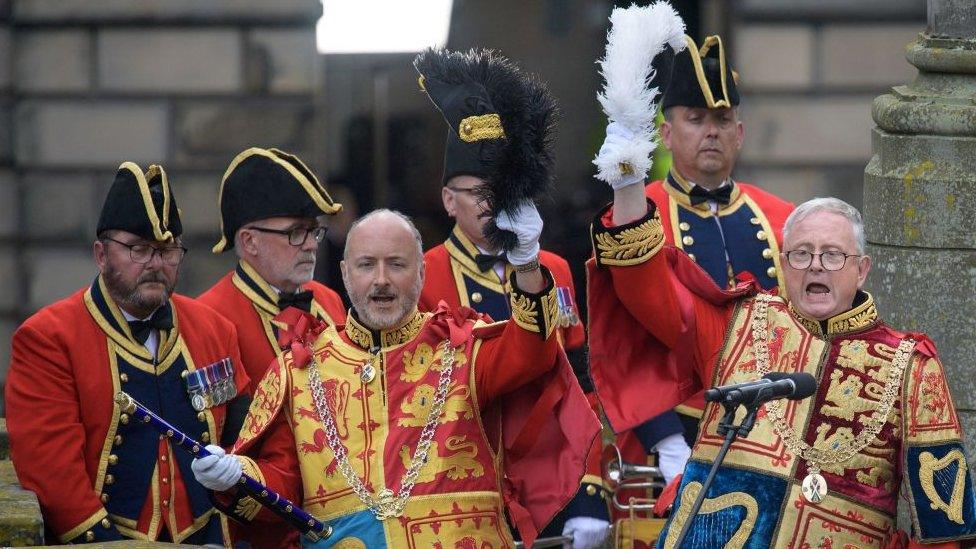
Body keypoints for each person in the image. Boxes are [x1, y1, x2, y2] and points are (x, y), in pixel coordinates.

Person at [192, 208, 601, 548]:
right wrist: (238, 476)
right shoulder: (298, 370)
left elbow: (534, 349)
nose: (381, 279)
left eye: (397, 264)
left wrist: (527, 263)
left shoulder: (464, 347)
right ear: (345, 273)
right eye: (367, 265)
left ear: (422, 271)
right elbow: (281, 487)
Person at [587, 193, 976, 546]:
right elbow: (646, 288)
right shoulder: (734, 323)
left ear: (861, 269)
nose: (816, 266)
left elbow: (945, 526)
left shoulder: (912, 366)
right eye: (801, 254)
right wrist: (627, 183)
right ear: (783, 262)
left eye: (833, 255)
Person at [414, 47, 608, 548]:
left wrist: (588, 492)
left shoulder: (555, 268)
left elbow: (580, 385)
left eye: (499, 190)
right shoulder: (420, 274)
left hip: (552, 486)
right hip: (462, 485)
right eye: (476, 191)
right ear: (447, 199)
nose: (489, 204)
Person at [5, 162, 250, 544]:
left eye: (168, 251)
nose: (155, 264)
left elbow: (244, 441)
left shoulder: (216, 330)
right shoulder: (48, 338)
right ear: (101, 254)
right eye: (138, 249)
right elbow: (52, 472)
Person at [597, 35, 794, 480]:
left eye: (723, 120)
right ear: (666, 134)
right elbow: (624, 340)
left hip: (773, 428)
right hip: (675, 433)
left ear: (739, 134)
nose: (711, 131)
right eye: (695, 118)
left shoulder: (783, 217)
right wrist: (665, 439)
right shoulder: (633, 217)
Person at [196, 146, 346, 547]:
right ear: (249, 242)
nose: (312, 244)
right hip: (262, 525)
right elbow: (217, 438)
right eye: (295, 232)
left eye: (313, 231)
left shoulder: (327, 300)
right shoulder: (208, 318)